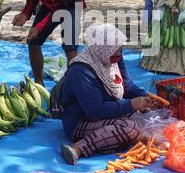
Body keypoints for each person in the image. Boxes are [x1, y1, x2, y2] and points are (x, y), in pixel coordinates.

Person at [59, 24, 159, 165]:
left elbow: (127, 86)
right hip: (81, 121)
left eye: (119, 47)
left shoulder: (113, 58)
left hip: (105, 113)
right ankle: (77, 148)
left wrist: (145, 97)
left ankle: (113, 141)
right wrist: (131, 105)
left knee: (147, 116)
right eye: (114, 49)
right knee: (129, 127)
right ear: (101, 48)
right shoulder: (81, 71)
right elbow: (95, 110)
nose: (119, 53)